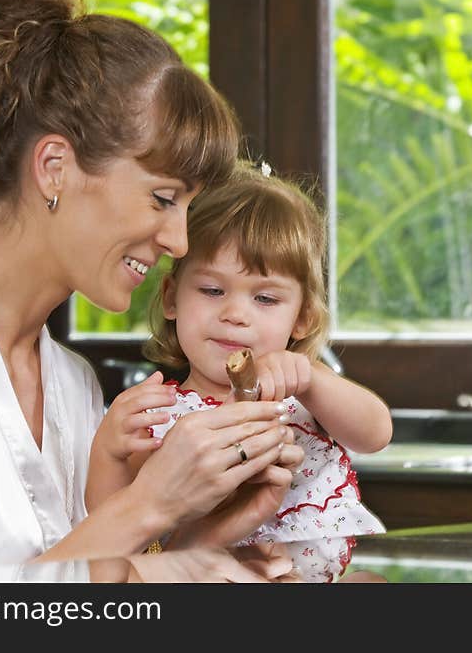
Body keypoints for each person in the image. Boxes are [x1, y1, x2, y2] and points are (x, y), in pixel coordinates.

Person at [0, 0, 301, 582]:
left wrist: (210, 556)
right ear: (54, 167)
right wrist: (151, 502)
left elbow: (85, 588)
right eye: (163, 198)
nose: (180, 243)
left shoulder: (72, 384)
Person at [102, 160, 394, 583]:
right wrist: (111, 450)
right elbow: (115, 524)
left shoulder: (302, 389)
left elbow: (376, 434)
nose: (235, 314)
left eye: (266, 299)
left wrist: (313, 381)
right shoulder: (157, 411)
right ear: (171, 298)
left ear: (303, 318)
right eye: (212, 290)